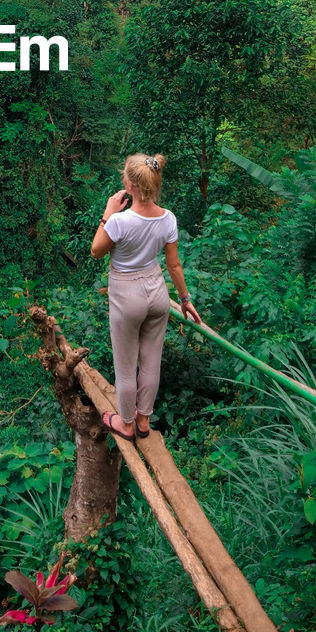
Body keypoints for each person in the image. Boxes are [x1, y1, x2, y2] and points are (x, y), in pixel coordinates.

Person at [90, 152, 201, 440]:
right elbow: (174, 265)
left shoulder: (119, 221)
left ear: (130, 185)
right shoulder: (168, 219)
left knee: (126, 367)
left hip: (127, 295)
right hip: (157, 292)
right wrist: (185, 300)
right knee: (151, 362)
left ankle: (125, 423)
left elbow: (96, 251)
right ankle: (143, 422)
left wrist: (108, 212)